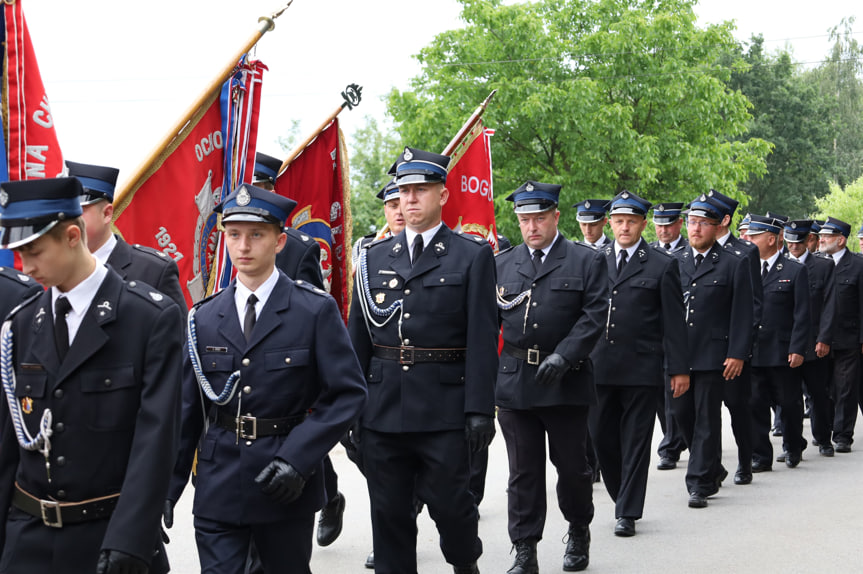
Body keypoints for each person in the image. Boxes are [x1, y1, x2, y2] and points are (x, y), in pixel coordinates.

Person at [165, 184, 367, 574]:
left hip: (283, 481)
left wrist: (298, 459)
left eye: (256, 234)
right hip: (219, 481)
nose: (243, 246)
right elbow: (187, 411)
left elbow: (346, 394)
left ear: (278, 240)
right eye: (234, 234)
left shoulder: (312, 311)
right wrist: (164, 490)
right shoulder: (204, 317)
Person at [0, 177, 183, 574]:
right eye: (18, 254)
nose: (25, 267)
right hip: (26, 539)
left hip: (106, 539)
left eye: (33, 252)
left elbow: (156, 442)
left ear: (71, 236)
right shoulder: (20, 321)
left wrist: (131, 540)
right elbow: (7, 446)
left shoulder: (147, 318)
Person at [348, 147, 498, 574]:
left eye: (421, 190)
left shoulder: (471, 256)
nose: (410, 199)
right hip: (383, 409)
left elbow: (483, 338)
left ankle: (465, 562)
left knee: (453, 509)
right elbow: (357, 339)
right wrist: (349, 409)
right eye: (403, 191)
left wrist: (479, 410)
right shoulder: (372, 259)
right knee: (390, 516)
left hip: (444, 410)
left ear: (442, 195)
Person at [495, 181, 607, 573]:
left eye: (538, 218)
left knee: (573, 469)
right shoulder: (503, 264)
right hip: (515, 383)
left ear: (556, 216)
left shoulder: (585, 261)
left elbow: (594, 316)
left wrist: (565, 355)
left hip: (566, 381)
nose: (531, 227)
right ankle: (525, 548)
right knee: (522, 472)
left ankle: (578, 528)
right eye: (524, 219)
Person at [590, 191, 689, 537]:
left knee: (635, 440)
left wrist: (678, 369)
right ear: (610, 223)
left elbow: (674, 322)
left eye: (631, 221)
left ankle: (627, 511)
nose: (624, 227)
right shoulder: (595, 260)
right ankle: (622, 496)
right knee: (601, 438)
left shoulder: (662, 264)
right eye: (618, 221)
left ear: (643, 224)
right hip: (599, 367)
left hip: (642, 369)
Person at [671, 195, 753, 508]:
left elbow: (743, 312)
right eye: (692, 222)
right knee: (682, 415)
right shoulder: (673, 261)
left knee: (707, 417)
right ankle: (711, 465)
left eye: (704, 223)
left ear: (718, 226)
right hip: (679, 354)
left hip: (713, 354)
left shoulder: (734, 262)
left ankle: (699, 483)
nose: (696, 228)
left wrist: (737, 353)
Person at [66, 160, 188, 314]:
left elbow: (177, 335)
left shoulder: (153, 270)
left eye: (76, 211)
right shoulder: (55, 268)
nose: (67, 222)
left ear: (106, 214)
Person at [702, 190, 761, 485]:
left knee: (738, 407)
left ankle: (744, 461)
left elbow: (753, 304)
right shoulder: (694, 252)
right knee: (705, 414)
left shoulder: (745, 252)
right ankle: (711, 466)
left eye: (709, 215)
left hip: (733, 347)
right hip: (704, 349)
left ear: (724, 219)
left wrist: (742, 348)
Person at [746, 215, 810, 469]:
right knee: (754, 404)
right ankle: (760, 456)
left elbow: (802, 313)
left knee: (789, 403)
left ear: (771, 239)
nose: (748, 240)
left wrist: (797, 348)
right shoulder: (744, 269)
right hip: (753, 350)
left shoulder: (795, 270)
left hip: (782, 351)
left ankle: (794, 445)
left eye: (754, 236)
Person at [784, 220, 836, 457]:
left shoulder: (823, 267)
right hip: (786, 343)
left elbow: (829, 306)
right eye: (790, 241)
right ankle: (792, 444)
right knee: (787, 398)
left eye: (798, 241)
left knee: (818, 394)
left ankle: (823, 438)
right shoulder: (779, 266)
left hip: (814, 342)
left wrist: (824, 339)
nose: (793, 246)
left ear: (808, 241)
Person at [649, 202, 690, 470]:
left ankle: (672, 446)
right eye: (659, 224)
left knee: (676, 396)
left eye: (668, 224)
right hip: (652, 336)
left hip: (680, 331)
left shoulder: (689, 252)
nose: (663, 230)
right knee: (658, 397)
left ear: (679, 224)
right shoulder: (649, 253)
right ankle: (674, 437)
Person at [817, 217, 863, 452]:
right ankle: (823, 429)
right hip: (819, 339)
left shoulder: (858, 265)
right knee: (823, 388)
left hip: (848, 337)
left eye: (827, 236)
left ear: (841, 240)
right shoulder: (815, 263)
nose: (821, 239)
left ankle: (843, 435)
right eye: (821, 235)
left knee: (845, 387)